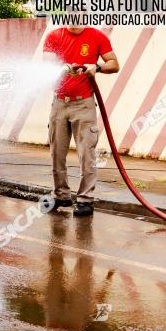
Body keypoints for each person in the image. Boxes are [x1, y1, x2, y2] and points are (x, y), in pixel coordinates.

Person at [43, 27, 120, 217]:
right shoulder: (54, 36)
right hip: (60, 103)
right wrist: (61, 68)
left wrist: (98, 67)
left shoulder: (97, 36)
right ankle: (61, 195)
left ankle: (85, 200)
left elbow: (114, 63)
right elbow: (47, 64)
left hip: (84, 104)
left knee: (87, 154)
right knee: (57, 152)